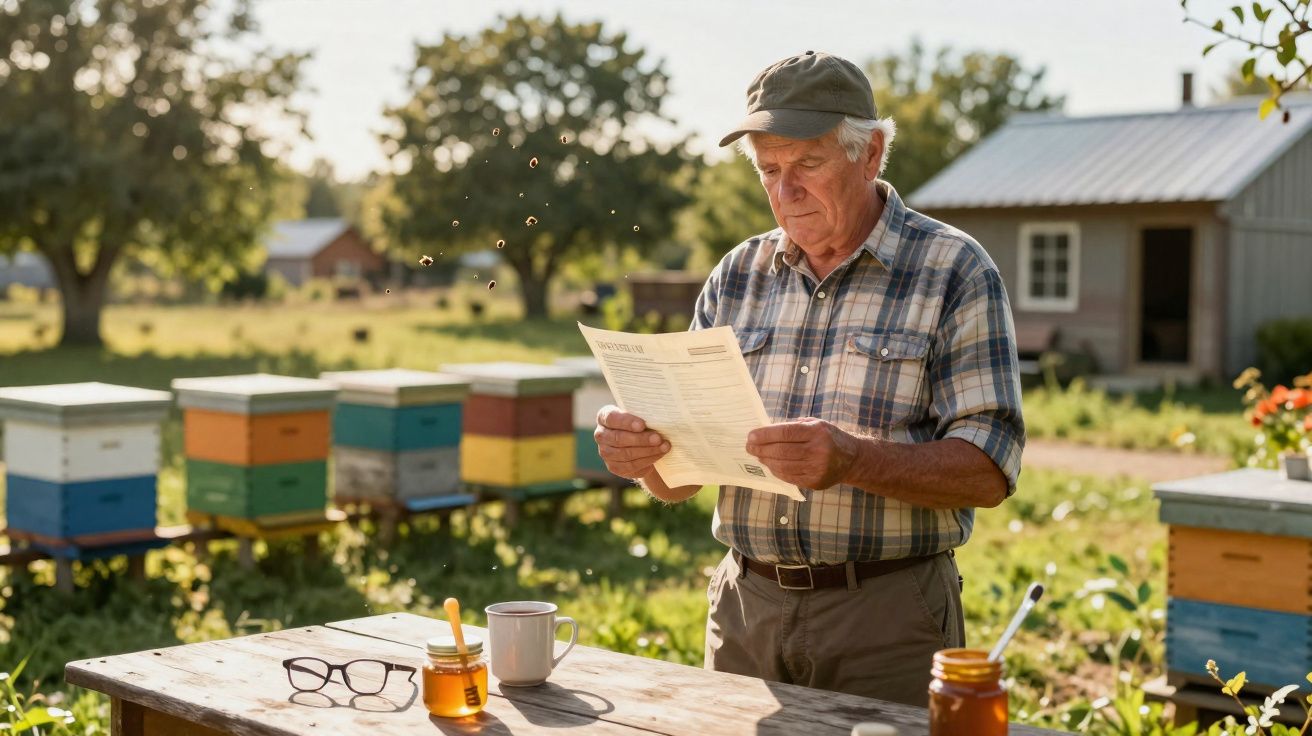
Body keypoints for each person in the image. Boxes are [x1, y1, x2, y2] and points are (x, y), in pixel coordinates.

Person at [593, 50, 1025, 707]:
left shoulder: (954, 269)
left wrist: (853, 459)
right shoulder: (736, 276)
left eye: (808, 164)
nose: (785, 191)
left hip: (887, 617)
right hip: (744, 608)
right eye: (770, 170)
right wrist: (642, 456)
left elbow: (989, 472)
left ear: (870, 154)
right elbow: (678, 480)